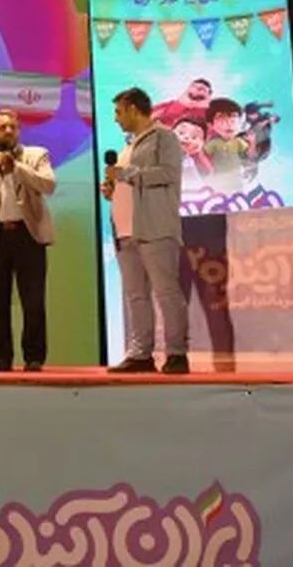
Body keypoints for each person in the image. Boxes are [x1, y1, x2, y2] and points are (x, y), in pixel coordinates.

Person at [102, 87, 190, 374]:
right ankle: (141, 354)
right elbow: (129, 183)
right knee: (135, 295)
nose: (116, 118)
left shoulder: (164, 137)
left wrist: (126, 174)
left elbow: (169, 174)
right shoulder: (128, 147)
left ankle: (176, 353)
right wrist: (113, 190)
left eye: (118, 112)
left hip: (155, 228)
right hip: (124, 231)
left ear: (133, 109)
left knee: (167, 292)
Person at [0, 108, 55, 372]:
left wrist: (17, 167)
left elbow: (48, 185)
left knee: (33, 301)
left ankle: (34, 357)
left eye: (12, 127)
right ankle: (1, 357)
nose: (7, 131)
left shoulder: (36, 155)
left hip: (28, 235)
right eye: (2, 127)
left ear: (19, 130)